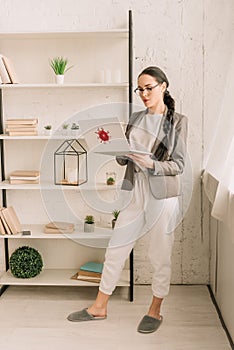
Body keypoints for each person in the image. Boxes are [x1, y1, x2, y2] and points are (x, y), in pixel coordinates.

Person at [67, 66, 188, 334]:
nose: (143, 94)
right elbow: (124, 158)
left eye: (149, 88)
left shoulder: (177, 121)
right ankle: (100, 307)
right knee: (116, 247)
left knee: (159, 253)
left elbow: (178, 164)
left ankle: (155, 310)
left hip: (162, 195)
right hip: (134, 190)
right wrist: (118, 150)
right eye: (140, 89)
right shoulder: (135, 117)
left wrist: (152, 163)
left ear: (163, 87)